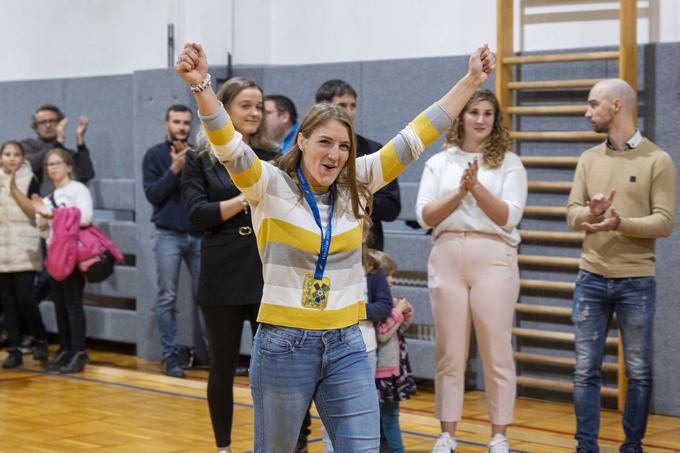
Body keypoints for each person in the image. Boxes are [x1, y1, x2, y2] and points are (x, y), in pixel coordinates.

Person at [176, 40, 494, 452]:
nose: (335, 154)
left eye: (344, 147)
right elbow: (228, 146)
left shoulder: (358, 179)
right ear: (302, 140)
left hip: (347, 342)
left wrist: (470, 82)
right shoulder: (268, 183)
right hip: (284, 344)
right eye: (325, 142)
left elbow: (417, 135)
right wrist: (202, 86)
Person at [566, 79, 676, 453]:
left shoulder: (657, 160)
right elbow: (571, 214)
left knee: (639, 372)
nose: (587, 112)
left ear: (617, 106)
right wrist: (591, 212)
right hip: (590, 279)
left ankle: (633, 446)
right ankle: (586, 447)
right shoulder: (588, 159)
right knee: (585, 371)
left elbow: (664, 222)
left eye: (593, 104)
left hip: (637, 282)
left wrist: (621, 223)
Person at [415, 89, 527, 453]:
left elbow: (508, 217)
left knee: (497, 350)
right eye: (473, 112)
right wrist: (460, 192)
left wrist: (476, 187)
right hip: (446, 253)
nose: (480, 119)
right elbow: (426, 215)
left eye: (487, 114)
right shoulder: (440, 163)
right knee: (450, 352)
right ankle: (447, 433)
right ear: (460, 117)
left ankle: (499, 435)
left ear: (495, 121)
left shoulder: (509, 163)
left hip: (493, 256)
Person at [181, 77, 278, 453]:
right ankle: (223, 446)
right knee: (222, 366)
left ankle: (274, 442)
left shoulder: (271, 154)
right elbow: (196, 213)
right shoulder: (198, 158)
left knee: (270, 368)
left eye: (259, 106)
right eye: (245, 105)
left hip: (264, 268)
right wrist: (244, 199)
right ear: (223, 109)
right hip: (221, 269)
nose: (254, 113)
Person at [142, 104, 203, 378]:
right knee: (167, 297)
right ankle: (170, 356)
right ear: (166, 123)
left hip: (199, 234)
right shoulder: (154, 155)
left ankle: (212, 357)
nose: (181, 127)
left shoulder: (198, 154)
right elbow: (153, 195)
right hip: (168, 235)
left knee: (207, 298)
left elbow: (204, 193)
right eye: (176, 121)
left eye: (186, 122)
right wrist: (175, 169)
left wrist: (188, 164)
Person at [315, 80, 400, 251]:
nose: (349, 112)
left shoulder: (374, 151)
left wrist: (358, 194)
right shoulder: (310, 150)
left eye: (352, 105)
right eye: (342, 105)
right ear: (323, 108)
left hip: (365, 249)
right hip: (319, 243)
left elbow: (392, 209)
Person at [30, 148, 94, 373]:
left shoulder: (78, 189)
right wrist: (41, 218)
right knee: (59, 305)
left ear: (68, 166)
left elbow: (85, 218)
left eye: (57, 163)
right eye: (49, 164)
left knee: (73, 304)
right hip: (55, 256)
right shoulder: (46, 198)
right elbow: (44, 231)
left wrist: (52, 214)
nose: (53, 168)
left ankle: (79, 351)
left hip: (74, 255)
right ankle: (65, 348)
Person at [0, 141, 48, 368]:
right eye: (7, 154)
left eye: (16, 154)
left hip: (24, 248)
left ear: (23, 158)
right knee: (7, 302)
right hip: (2, 249)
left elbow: (33, 212)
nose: (11, 158)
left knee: (26, 300)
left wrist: (13, 190)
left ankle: (40, 338)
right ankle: (14, 349)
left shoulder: (31, 179)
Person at [373, 251, 417, 453]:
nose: (391, 281)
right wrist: (397, 313)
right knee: (387, 420)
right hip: (382, 374)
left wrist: (404, 316)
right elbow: (382, 334)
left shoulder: (386, 300)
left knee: (390, 418)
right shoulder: (376, 305)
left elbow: (396, 331)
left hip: (393, 371)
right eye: (387, 275)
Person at [21, 104, 95, 185]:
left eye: (52, 121)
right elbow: (29, 167)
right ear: (36, 127)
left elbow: (86, 175)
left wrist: (80, 141)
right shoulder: (28, 145)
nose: (48, 125)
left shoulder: (67, 153)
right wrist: (57, 143)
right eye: (42, 122)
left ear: (60, 124)